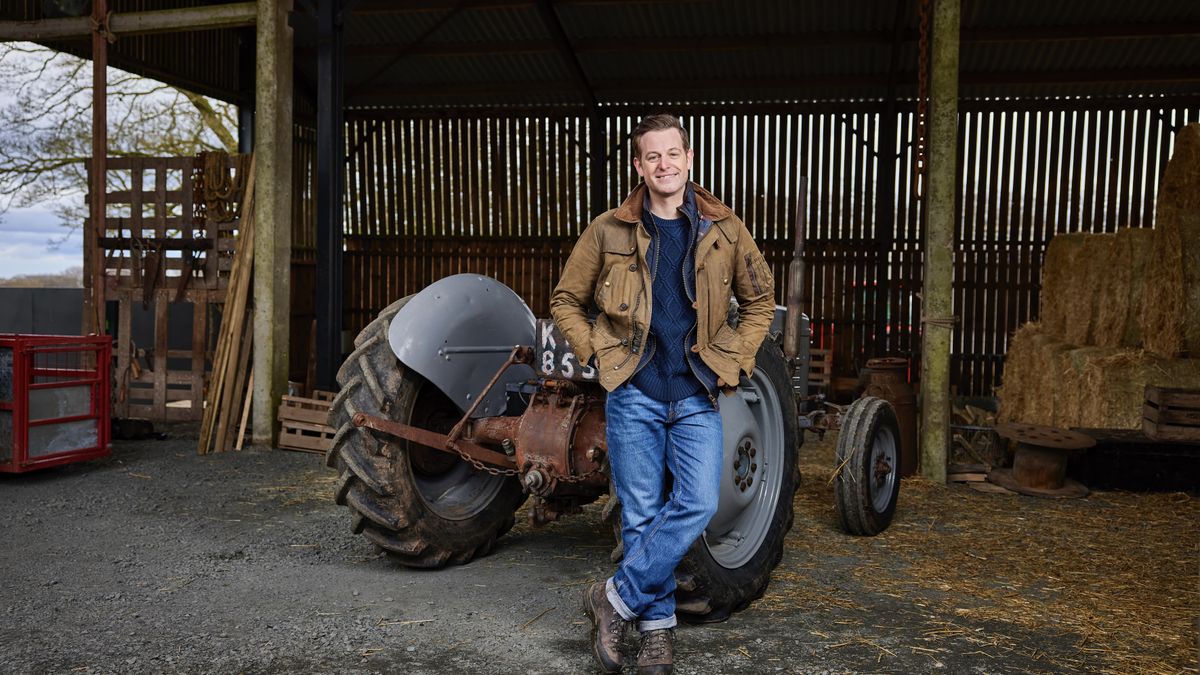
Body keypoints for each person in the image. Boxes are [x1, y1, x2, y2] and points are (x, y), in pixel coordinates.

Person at [549, 114, 776, 674]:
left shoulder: (723, 228)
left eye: (672, 153)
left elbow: (761, 300)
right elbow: (565, 302)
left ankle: (614, 597)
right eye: (652, 156)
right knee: (641, 516)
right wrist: (599, 354)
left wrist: (736, 359)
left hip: (697, 391)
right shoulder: (608, 229)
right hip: (635, 392)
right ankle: (656, 635)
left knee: (696, 504)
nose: (664, 164)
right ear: (638, 165)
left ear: (689, 157)